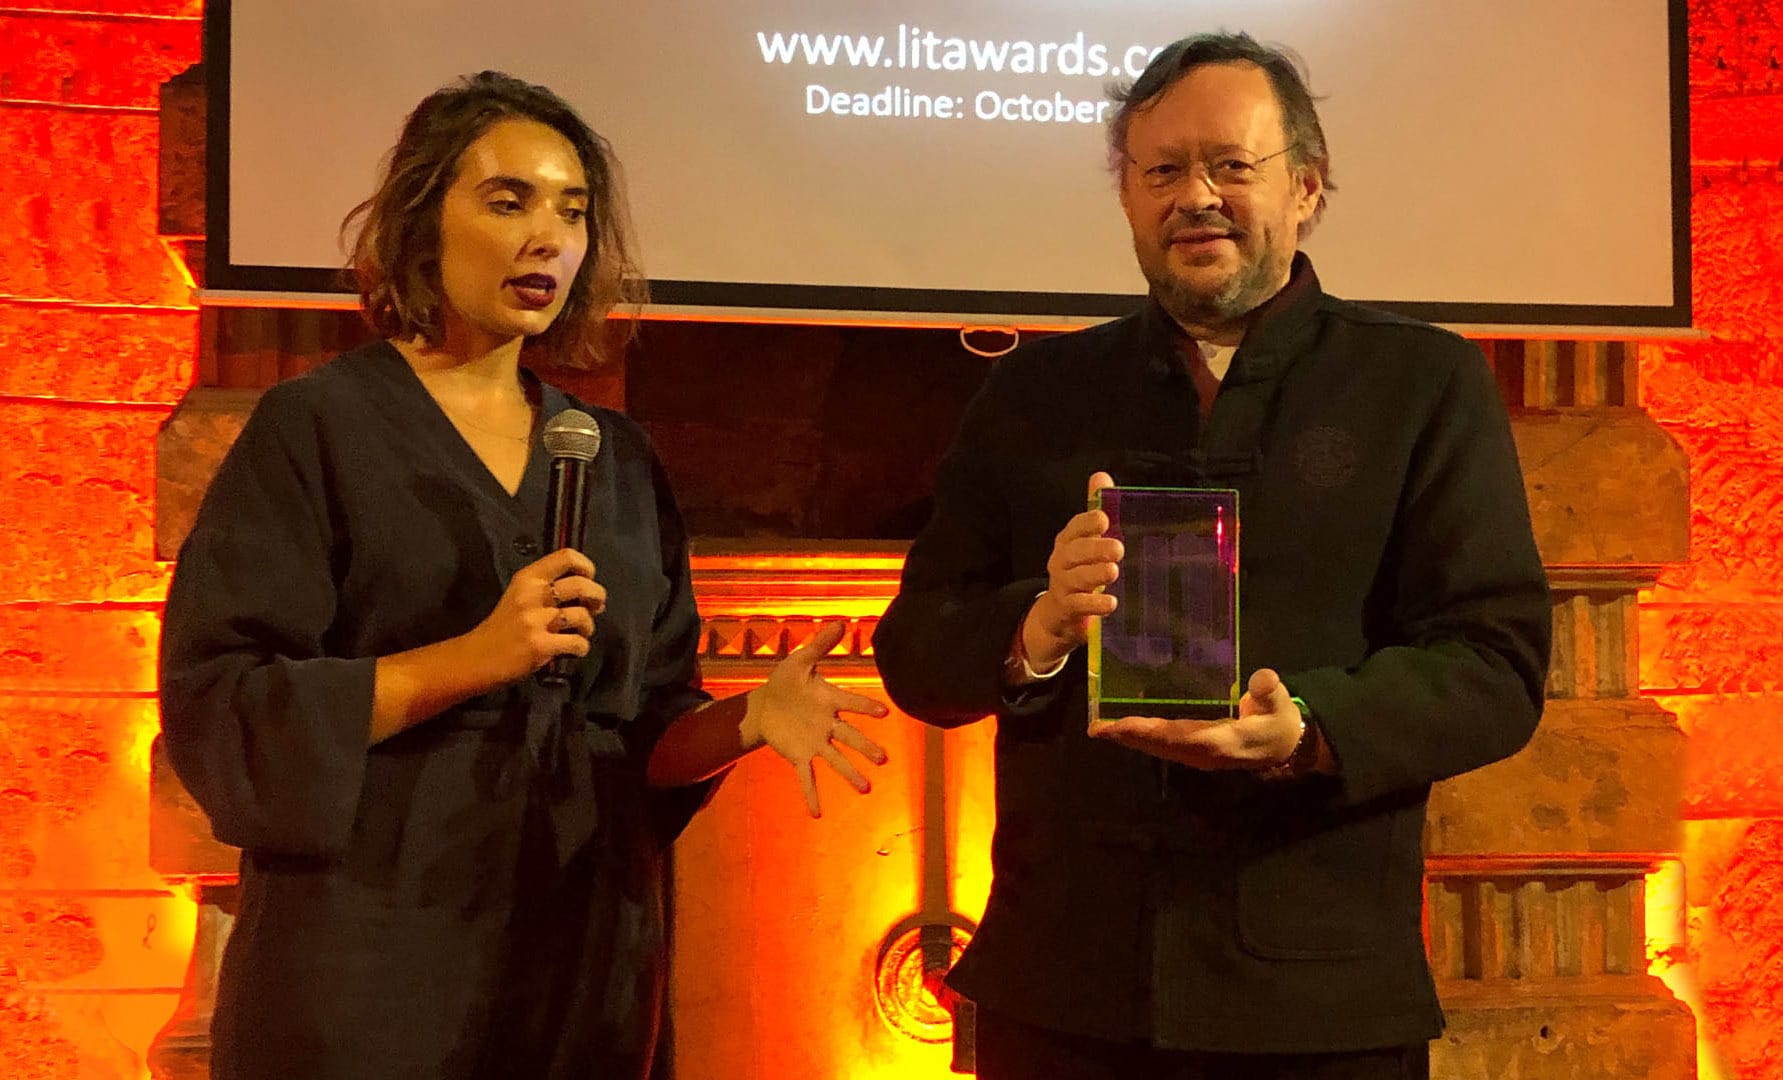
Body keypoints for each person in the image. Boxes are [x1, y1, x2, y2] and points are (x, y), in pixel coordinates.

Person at [158, 71, 887, 1080]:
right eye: (508, 201)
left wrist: (744, 721)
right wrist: (470, 660)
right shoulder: (316, 429)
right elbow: (222, 706)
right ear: (423, 221)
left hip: (575, 971)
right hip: (370, 966)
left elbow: (641, 739)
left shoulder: (611, 456)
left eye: (572, 210)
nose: (548, 234)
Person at [873, 32, 1550, 1080]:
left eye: (1232, 166)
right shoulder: (1033, 395)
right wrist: (1037, 625)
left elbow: (1494, 663)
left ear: (1307, 188)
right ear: (1129, 199)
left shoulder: (1420, 384)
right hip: (1064, 988)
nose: (1196, 196)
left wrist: (1312, 727)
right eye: (1161, 171)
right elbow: (917, 651)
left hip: (1316, 995)